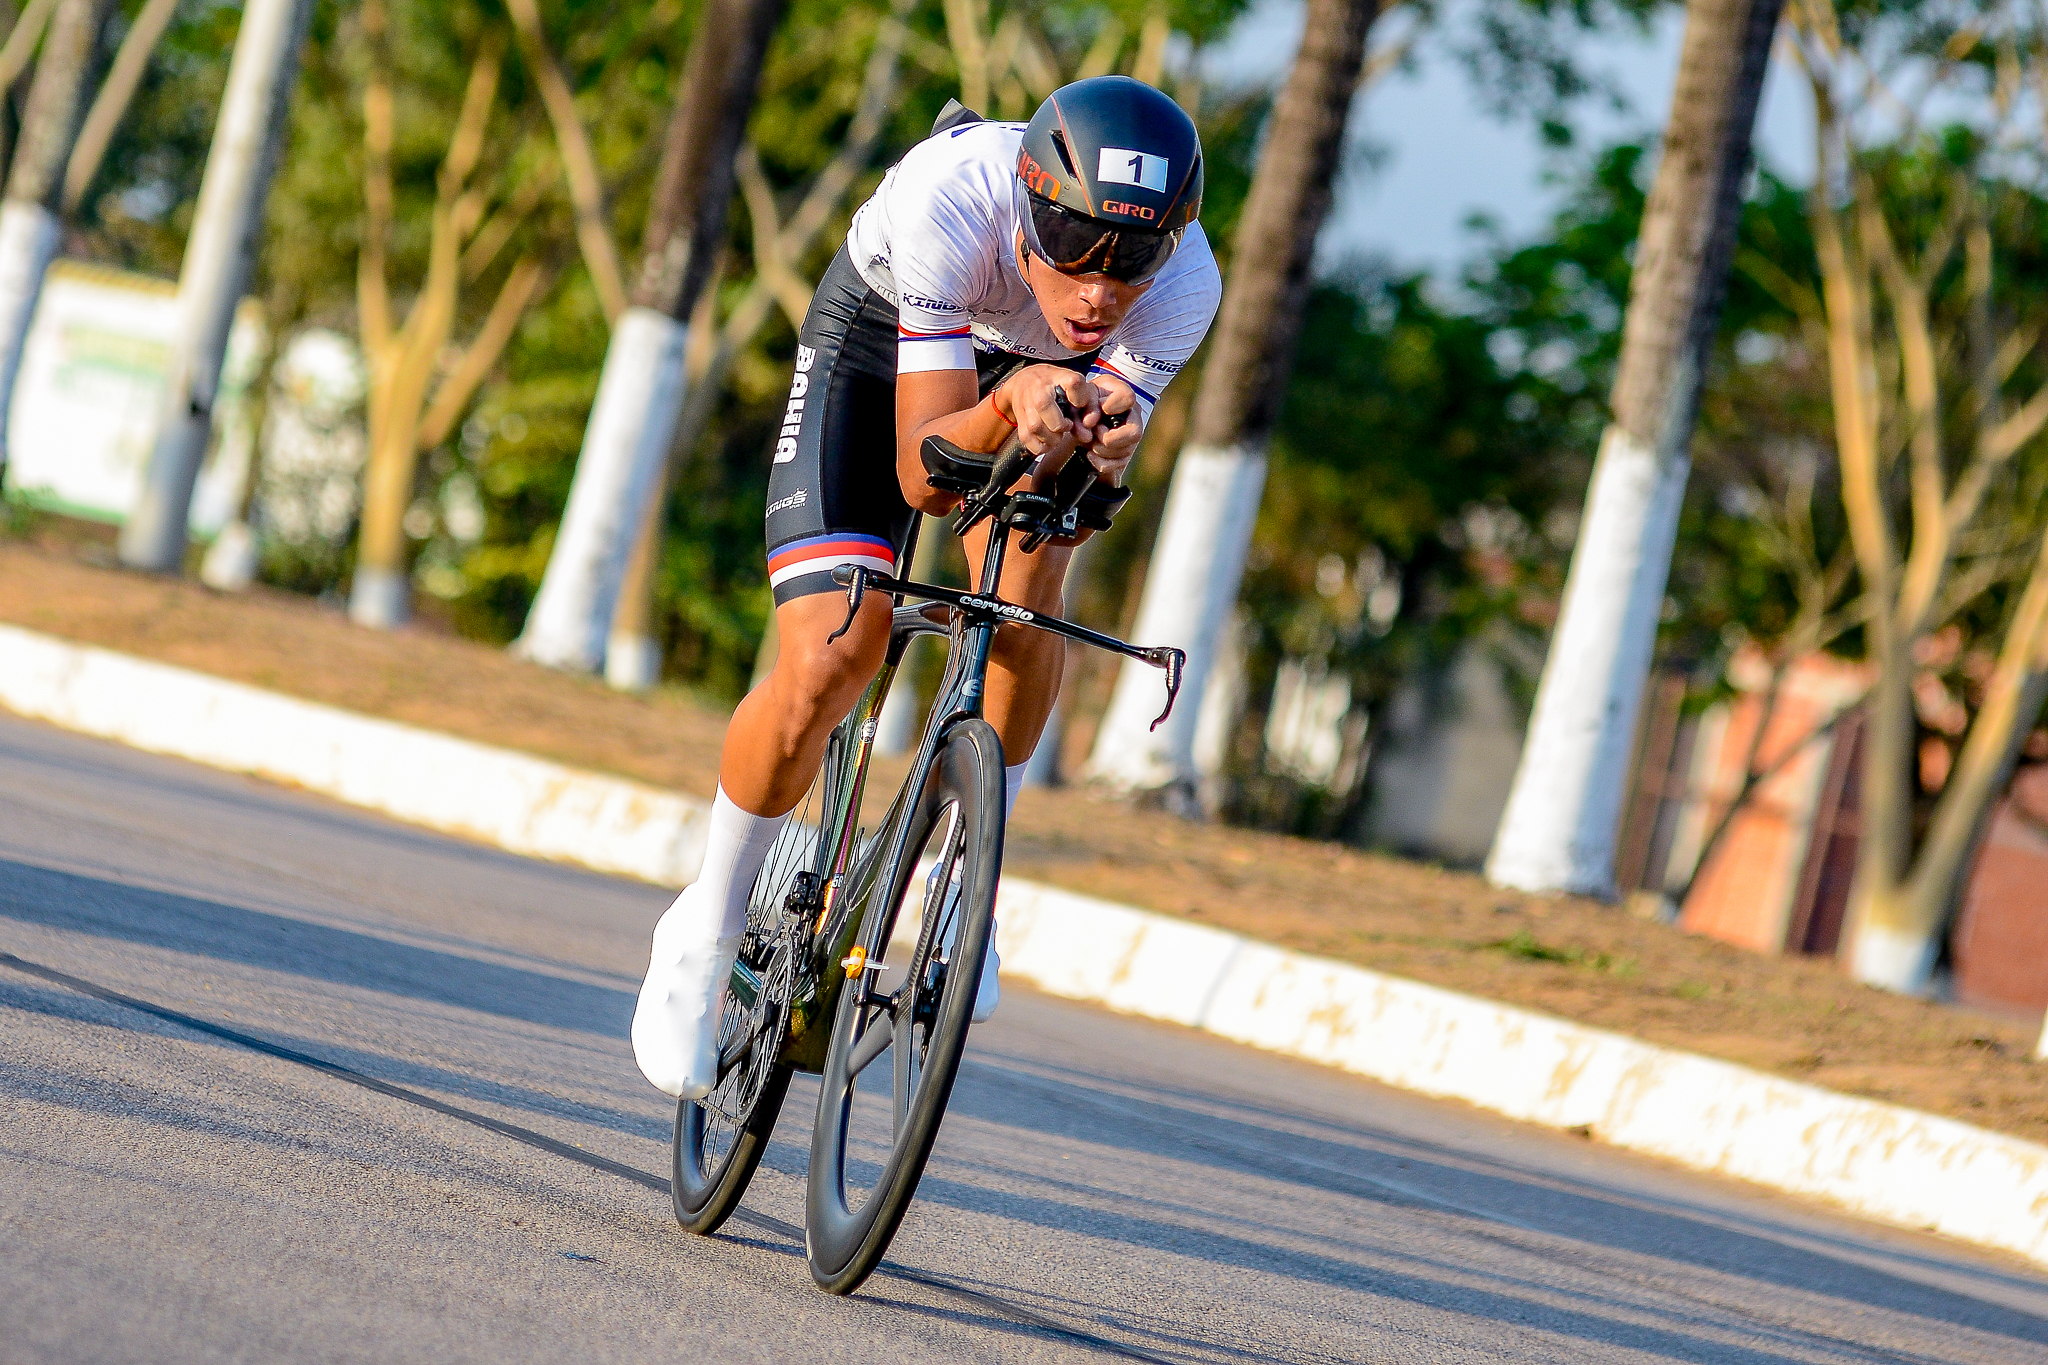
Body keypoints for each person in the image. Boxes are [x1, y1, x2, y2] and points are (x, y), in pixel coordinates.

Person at [633, 75, 1221, 1099]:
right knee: (836, 648)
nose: (1098, 290)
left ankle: (966, 880)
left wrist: (1108, 447)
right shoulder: (953, 198)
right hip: (880, 344)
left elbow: (1084, 481)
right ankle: (706, 922)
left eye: (1130, 260)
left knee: (1029, 592)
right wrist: (1012, 399)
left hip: (1036, 380)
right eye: (1073, 243)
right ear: (1028, 207)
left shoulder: (1186, 287)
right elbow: (924, 476)